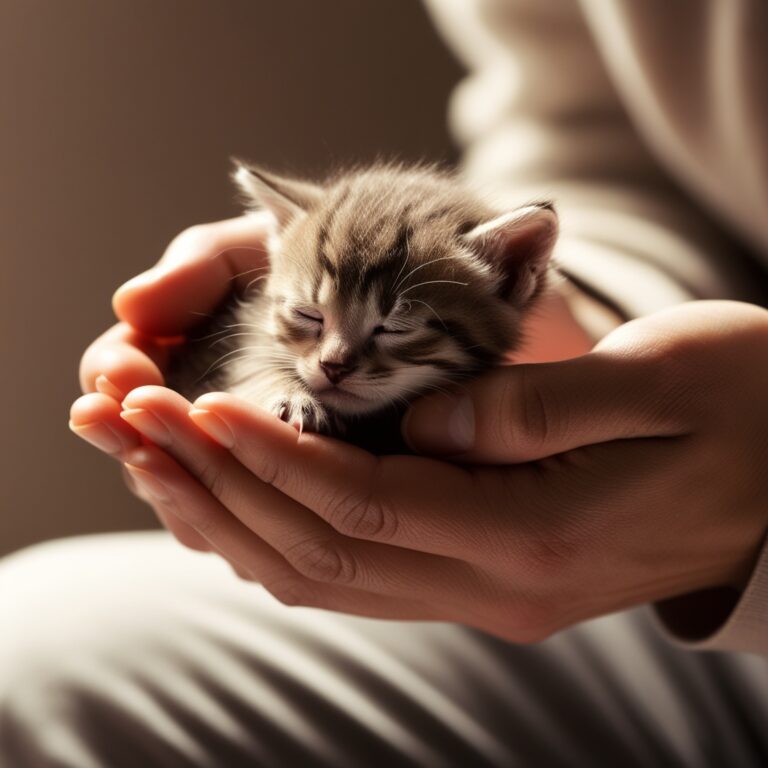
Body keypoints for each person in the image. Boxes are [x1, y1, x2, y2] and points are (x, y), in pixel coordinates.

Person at [2, 1, 767, 765]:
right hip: (644, 582)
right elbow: (606, 145)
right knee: (26, 659)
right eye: (305, 316)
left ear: (508, 279)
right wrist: (607, 312)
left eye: (392, 330)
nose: (333, 361)